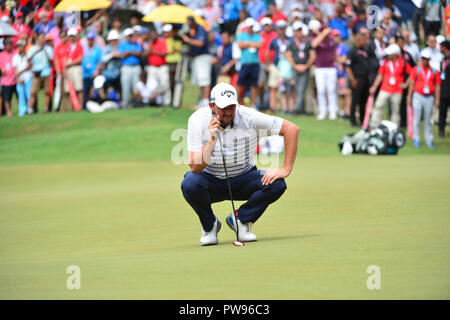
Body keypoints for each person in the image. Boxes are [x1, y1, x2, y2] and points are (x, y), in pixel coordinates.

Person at [181, 82, 299, 246]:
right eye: (223, 108)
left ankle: (241, 220)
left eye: (232, 107)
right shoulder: (197, 119)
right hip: (210, 181)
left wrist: (285, 169)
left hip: (243, 178)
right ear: (211, 106)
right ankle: (210, 226)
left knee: (277, 184)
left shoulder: (249, 117)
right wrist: (212, 139)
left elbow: (292, 129)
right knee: (190, 183)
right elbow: (195, 167)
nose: (228, 112)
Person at [369, 44, 411, 128]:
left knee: (396, 111)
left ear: (395, 53)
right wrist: (374, 87)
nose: (388, 55)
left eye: (390, 53)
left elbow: (412, 73)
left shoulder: (403, 62)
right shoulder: (385, 61)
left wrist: (406, 84)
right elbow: (380, 75)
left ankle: (394, 128)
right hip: (384, 88)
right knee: (378, 106)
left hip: (397, 91)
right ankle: (373, 125)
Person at [407, 48, 441, 148]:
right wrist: (409, 97)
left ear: (429, 59)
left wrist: (437, 99)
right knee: (416, 119)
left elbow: (437, 86)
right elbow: (412, 84)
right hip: (417, 96)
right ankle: (416, 139)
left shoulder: (435, 71)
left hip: (429, 97)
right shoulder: (416, 70)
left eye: (427, 59)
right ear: (421, 59)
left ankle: (429, 140)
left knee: (428, 120)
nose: (425, 60)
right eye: (424, 59)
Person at [285, 21, 316, 115]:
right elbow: (288, 55)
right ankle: (301, 109)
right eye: (297, 30)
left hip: (305, 68)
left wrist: (306, 66)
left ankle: (295, 109)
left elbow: (313, 55)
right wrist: (296, 66)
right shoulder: (291, 42)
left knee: (302, 89)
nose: (299, 32)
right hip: (295, 67)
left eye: (300, 30)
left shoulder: (308, 41)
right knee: (298, 89)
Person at [311, 25, 338, 120]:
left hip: (331, 67)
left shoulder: (331, 40)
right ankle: (322, 111)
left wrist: (338, 62)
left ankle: (333, 111)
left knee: (331, 90)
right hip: (320, 68)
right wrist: (322, 34)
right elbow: (314, 44)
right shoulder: (317, 38)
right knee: (321, 90)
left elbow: (335, 52)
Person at [345, 30, 370, 127]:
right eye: (362, 39)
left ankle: (363, 120)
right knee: (355, 101)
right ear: (357, 40)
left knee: (363, 102)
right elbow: (348, 67)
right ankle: (353, 121)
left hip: (365, 79)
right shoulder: (352, 51)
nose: (364, 41)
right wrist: (352, 80)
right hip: (357, 79)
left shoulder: (365, 50)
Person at [235, 17, 261, 108]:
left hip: (255, 63)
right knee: (239, 83)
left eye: (252, 26)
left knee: (254, 85)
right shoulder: (242, 35)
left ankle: (253, 105)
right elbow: (240, 45)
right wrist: (251, 43)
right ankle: (236, 103)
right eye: (249, 26)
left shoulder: (257, 36)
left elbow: (259, 45)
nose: (251, 28)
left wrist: (247, 43)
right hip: (245, 63)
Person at [27, 33, 53, 114]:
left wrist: (45, 53)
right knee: (33, 92)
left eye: (43, 38)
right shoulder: (32, 48)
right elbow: (28, 60)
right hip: (37, 73)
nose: (42, 40)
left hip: (46, 72)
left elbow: (51, 61)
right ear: (37, 39)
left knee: (47, 92)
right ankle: (30, 109)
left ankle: (46, 109)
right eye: (40, 38)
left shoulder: (48, 49)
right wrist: (36, 51)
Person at [145, 28, 171, 106]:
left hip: (162, 67)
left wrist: (153, 52)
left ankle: (167, 102)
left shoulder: (162, 41)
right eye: (151, 35)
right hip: (152, 67)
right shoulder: (149, 43)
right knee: (152, 85)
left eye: (154, 35)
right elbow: (145, 54)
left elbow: (165, 53)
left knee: (165, 84)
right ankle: (154, 101)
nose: (153, 36)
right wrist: (150, 46)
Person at [118, 28, 143, 108]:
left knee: (136, 87)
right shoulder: (122, 44)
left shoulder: (136, 44)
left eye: (131, 35)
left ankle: (136, 104)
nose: (131, 37)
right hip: (126, 67)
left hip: (136, 67)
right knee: (126, 87)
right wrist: (131, 53)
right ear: (126, 36)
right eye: (129, 36)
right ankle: (125, 105)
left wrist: (129, 52)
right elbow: (121, 55)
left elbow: (139, 53)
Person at [258, 17, 277, 111]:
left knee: (271, 85)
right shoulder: (260, 35)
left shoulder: (275, 35)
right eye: (265, 25)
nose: (267, 27)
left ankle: (271, 106)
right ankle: (261, 103)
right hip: (262, 63)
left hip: (273, 63)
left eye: (268, 25)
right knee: (260, 84)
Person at [82, 30, 103, 110]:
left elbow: (99, 61)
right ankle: (84, 107)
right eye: (89, 39)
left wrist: (97, 71)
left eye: (92, 39)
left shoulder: (97, 49)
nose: (90, 40)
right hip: (84, 73)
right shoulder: (83, 47)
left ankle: (94, 105)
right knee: (84, 91)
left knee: (93, 90)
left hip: (93, 73)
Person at [64, 28, 84, 111]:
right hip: (68, 69)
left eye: (73, 36)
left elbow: (80, 58)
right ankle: (71, 108)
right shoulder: (66, 46)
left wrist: (69, 64)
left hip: (76, 68)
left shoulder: (79, 45)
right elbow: (64, 59)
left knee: (78, 88)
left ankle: (80, 107)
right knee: (69, 90)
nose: (71, 38)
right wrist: (65, 69)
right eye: (70, 36)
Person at [12, 39, 32, 117]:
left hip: (28, 77)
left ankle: (30, 110)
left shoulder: (28, 55)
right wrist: (18, 78)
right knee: (21, 95)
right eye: (18, 46)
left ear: (24, 47)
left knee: (29, 94)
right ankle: (22, 111)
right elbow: (15, 69)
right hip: (20, 78)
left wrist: (21, 72)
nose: (19, 48)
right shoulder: (15, 57)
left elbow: (29, 66)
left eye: (20, 46)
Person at [0, 37, 17, 117]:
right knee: (7, 98)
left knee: (19, 96)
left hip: (16, 79)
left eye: (11, 43)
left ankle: (21, 110)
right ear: (4, 45)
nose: (9, 45)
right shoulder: (1, 55)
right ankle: (9, 112)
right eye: (8, 44)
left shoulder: (15, 53)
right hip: (6, 80)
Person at [438, 40, 450, 138]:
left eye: (441, 47)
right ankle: (441, 131)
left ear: (445, 47)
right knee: (442, 112)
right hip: (443, 90)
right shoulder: (442, 60)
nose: (440, 49)